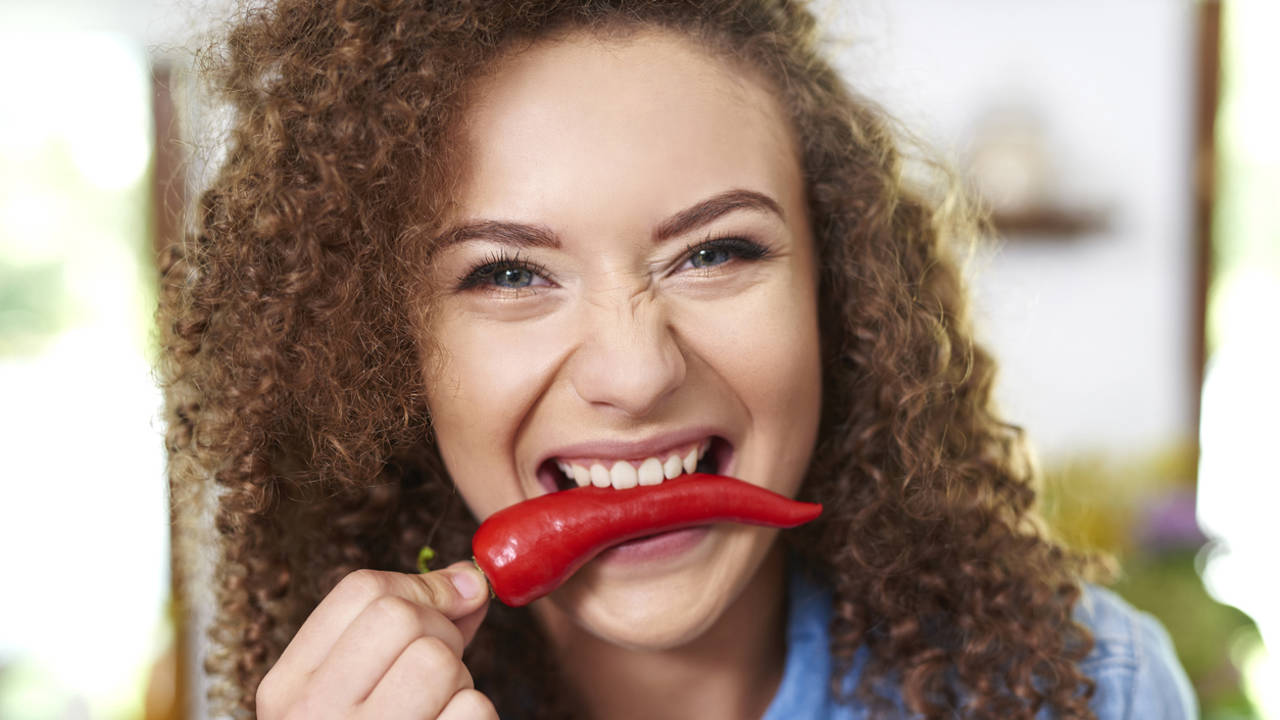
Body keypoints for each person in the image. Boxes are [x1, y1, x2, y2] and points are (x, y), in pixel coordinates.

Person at [157, 1, 1198, 718]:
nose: (635, 369)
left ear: (835, 295)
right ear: (381, 354)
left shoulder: (1084, 688)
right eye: (508, 274)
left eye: (715, 251)